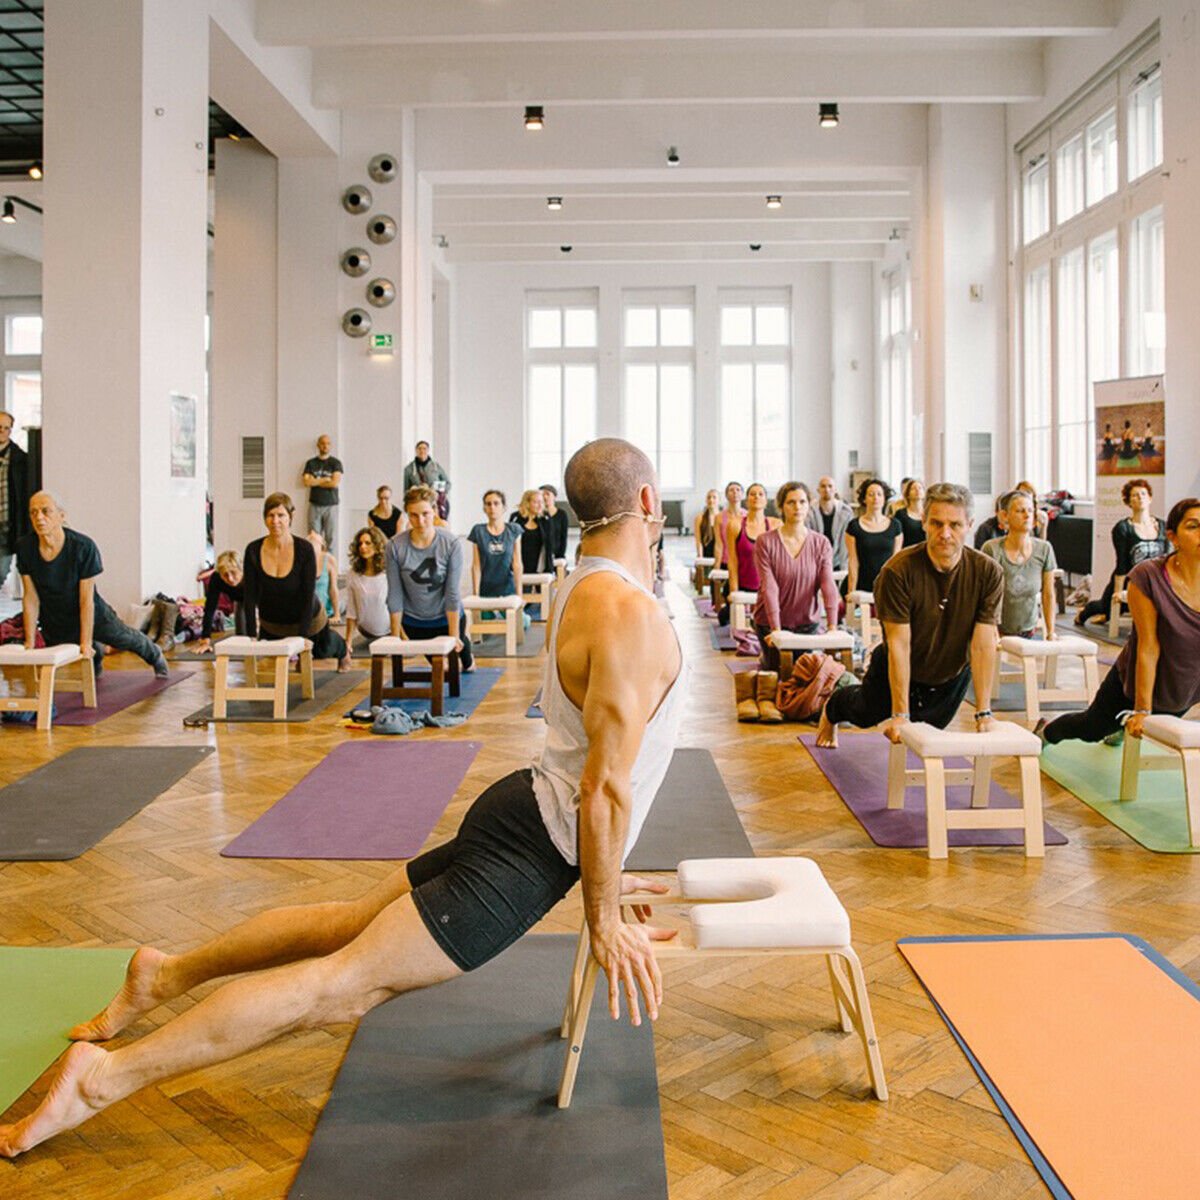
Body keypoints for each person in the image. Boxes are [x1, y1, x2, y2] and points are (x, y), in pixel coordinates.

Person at [0, 438, 684, 1160]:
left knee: (346, 925)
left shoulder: (581, 584)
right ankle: (102, 1079)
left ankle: (165, 973)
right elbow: (603, 785)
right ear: (647, 502)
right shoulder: (628, 614)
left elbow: (599, 772)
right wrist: (601, 908)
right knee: (343, 986)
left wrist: (601, 872)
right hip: (533, 849)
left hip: (522, 810)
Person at [817, 482, 1003, 748]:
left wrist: (984, 712)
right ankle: (833, 706)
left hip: (951, 673)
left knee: (927, 730)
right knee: (866, 712)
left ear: (969, 524)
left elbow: (984, 645)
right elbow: (899, 645)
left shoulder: (988, 572)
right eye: (937, 524)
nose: (945, 533)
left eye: (955, 525)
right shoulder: (898, 571)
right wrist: (900, 714)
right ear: (924, 522)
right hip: (899, 661)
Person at [1044, 498, 1200, 746]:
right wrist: (1143, 710)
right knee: (1091, 728)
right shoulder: (1148, 576)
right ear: (1173, 536)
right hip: (1137, 684)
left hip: (1185, 685)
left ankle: (1118, 730)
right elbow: (1148, 647)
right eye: (1193, 526)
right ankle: (1047, 732)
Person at [16, 491, 168, 677]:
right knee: (84, 659)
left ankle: (155, 655)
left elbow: (86, 600)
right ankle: (97, 654)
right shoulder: (25, 547)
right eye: (34, 512)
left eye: (46, 511)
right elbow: (30, 598)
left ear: (61, 516)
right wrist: (30, 644)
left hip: (93, 614)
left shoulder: (83, 547)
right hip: (55, 618)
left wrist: (86, 643)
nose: (39, 517)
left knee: (125, 638)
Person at [242, 492, 348, 666]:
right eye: (270, 515)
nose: (275, 521)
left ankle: (342, 649)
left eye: (281, 515)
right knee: (275, 662)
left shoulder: (304, 549)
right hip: (272, 623)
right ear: (264, 518)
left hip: (308, 620)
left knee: (321, 651)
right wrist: (251, 636)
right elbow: (249, 596)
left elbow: (307, 596)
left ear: (290, 517)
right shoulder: (253, 550)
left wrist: (302, 637)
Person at [386, 484, 474, 672]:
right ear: (407, 515)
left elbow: (452, 593)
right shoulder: (395, 546)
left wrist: (453, 637)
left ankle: (468, 658)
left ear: (434, 511)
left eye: (425, 513)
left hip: (446, 617)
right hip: (414, 621)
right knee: (440, 668)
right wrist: (395, 637)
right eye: (414, 515)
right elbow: (394, 593)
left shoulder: (451, 543)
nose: (421, 521)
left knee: (463, 666)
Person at [753, 482, 839, 673]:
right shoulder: (765, 541)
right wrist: (775, 630)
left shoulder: (821, 543)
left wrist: (832, 626)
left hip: (806, 623)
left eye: (802, 502)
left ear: (809, 505)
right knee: (777, 675)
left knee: (801, 675)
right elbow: (769, 586)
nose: (797, 507)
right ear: (782, 506)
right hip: (769, 622)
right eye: (791, 502)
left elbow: (827, 584)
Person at [1076, 478, 1168, 627]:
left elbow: (1168, 559)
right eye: (1135, 495)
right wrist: (1117, 594)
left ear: (1150, 498)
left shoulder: (1163, 526)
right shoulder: (1123, 528)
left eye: (1144, 494)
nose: (1140, 498)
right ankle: (1084, 614)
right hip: (1129, 579)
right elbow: (1122, 563)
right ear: (1128, 502)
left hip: (1155, 580)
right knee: (1105, 606)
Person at [981, 490, 1058, 638]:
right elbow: (985, 597)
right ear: (1005, 516)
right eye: (1020, 511)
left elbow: (1048, 595)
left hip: (1029, 631)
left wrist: (1050, 632)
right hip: (997, 631)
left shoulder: (1044, 549)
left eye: (1030, 510)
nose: (1027, 515)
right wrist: (993, 633)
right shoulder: (991, 548)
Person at [340, 525, 391, 669]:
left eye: (368, 543)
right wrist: (348, 642)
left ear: (377, 545)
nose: (363, 547)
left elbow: (396, 605)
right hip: (366, 630)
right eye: (360, 543)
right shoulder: (353, 574)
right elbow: (351, 609)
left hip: (389, 629)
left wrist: (400, 638)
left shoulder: (387, 572)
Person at [845, 479, 902, 595]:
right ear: (864, 499)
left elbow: (897, 561)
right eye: (871, 494)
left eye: (879, 494)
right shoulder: (854, 526)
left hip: (886, 585)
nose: (875, 497)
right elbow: (853, 561)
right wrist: (851, 591)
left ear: (884, 498)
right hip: (861, 585)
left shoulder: (896, 525)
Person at [726, 483, 779, 596]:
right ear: (746, 500)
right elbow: (732, 561)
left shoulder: (776, 525)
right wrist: (734, 592)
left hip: (769, 589)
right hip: (743, 587)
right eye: (752, 494)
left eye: (761, 494)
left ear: (766, 501)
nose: (756, 497)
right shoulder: (735, 525)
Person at [469, 489, 523, 599]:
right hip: (486, 589)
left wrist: (519, 595)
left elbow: (517, 564)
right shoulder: (478, 531)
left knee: (524, 617)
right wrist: (476, 594)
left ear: (504, 507)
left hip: (508, 590)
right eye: (488, 504)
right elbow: (476, 566)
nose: (492, 507)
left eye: (496, 503)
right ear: (484, 508)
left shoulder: (513, 530)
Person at [0, 409, 31, 595]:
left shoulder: (21, 461)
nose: (2, 431)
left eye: (6, 428)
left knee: (1, 571)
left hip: (6, 526)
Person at [192, 551, 245, 653]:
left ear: (241, 570)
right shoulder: (216, 579)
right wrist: (205, 639)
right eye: (225, 575)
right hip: (239, 600)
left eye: (233, 573)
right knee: (241, 638)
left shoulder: (251, 575)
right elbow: (210, 608)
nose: (230, 579)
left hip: (259, 599)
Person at [806, 475, 854, 573]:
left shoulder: (846, 512)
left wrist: (844, 567)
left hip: (838, 561)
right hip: (815, 561)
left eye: (830, 486)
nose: (827, 489)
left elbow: (846, 542)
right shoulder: (809, 511)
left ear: (835, 489)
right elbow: (807, 539)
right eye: (823, 486)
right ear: (818, 490)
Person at [301, 434, 343, 548]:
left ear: (330, 446)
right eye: (323, 443)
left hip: (331, 505)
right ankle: (314, 564)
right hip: (314, 505)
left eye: (328, 443)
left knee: (331, 538)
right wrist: (324, 479)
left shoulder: (335, 463)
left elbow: (334, 482)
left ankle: (330, 565)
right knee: (313, 538)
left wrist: (315, 481)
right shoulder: (311, 463)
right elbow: (306, 482)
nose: (325, 446)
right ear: (318, 445)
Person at [402, 441, 451, 519]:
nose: (422, 451)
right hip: (419, 506)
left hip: (437, 504)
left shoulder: (436, 466)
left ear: (428, 450)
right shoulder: (409, 469)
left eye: (424, 448)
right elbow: (406, 490)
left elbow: (448, 484)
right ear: (416, 451)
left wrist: (434, 488)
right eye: (419, 448)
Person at [512, 488, 550, 577]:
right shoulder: (516, 519)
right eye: (536, 502)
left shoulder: (545, 519)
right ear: (527, 503)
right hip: (521, 564)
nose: (540, 505)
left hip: (540, 566)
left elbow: (549, 545)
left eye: (541, 502)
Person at [307, 530, 341, 622]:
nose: (312, 534)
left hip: (325, 611)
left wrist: (337, 615)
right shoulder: (303, 559)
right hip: (309, 610)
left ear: (321, 546)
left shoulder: (329, 560)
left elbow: (333, 589)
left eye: (315, 541)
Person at [712, 481, 745, 571]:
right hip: (726, 562)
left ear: (742, 495)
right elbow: (719, 544)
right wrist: (717, 566)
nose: (735, 492)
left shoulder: (748, 516)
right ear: (726, 495)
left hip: (745, 562)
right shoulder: (719, 517)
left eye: (738, 490)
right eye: (731, 490)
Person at [541, 484, 570, 565]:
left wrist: (561, 555)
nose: (545, 497)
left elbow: (563, 537)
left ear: (554, 496)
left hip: (557, 554)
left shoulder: (562, 514)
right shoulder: (539, 515)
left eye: (547, 494)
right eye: (542, 494)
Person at [895, 479, 927, 547]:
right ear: (908, 495)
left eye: (920, 488)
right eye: (913, 488)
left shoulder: (929, 513)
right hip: (907, 552)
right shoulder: (900, 514)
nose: (917, 490)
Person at [694, 489, 720, 559]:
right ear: (706, 500)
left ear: (719, 500)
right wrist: (700, 557)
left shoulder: (722, 518)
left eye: (714, 497)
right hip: (705, 556)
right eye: (709, 497)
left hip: (720, 557)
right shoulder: (699, 518)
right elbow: (698, 541)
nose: (711, 500)